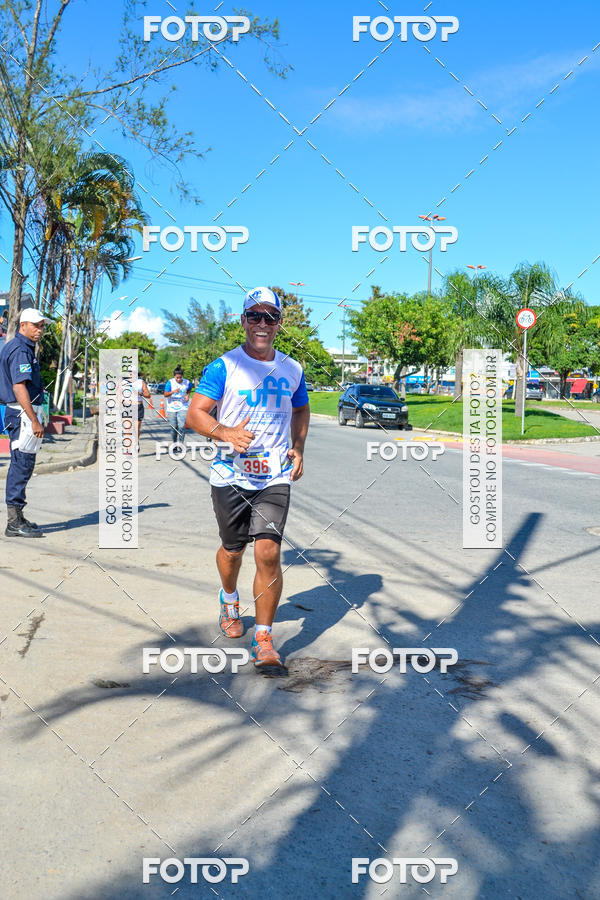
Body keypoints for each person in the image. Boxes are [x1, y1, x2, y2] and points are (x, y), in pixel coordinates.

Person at [186, 286, 310, 667]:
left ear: (278, 324)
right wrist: (225, 433)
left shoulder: (292, 368)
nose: (261, 323)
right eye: (254, 316)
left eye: (269, 317)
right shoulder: (224, 366)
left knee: (268, 551)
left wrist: (299, 446)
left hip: (274, 474)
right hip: (230, 475)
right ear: (243, 321)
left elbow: (301, 410)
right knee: (232, 550)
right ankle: (228, 598)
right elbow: (195, 414)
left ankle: (264, 638)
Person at [0, 308, 49, 538]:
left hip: (22, 414)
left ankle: (18, 517)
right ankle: (13, 522)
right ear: (23, 325)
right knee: (21, 466)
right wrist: (34, 419)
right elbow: (19, 386)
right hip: (22, 416)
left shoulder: (21, 347)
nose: (40, 330)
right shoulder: (20, 349)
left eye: (42, 326)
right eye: (36, 325)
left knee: (24, 464)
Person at [164, 366, 191, 448]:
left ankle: (181, 444)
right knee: (173, 427)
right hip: (171, 408)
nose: (179, 379)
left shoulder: (187, 382)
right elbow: (165, 394)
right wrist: (173, 391)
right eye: (177, 378)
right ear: (174, 376)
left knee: (182, 426)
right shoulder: (170, 383)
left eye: (180, 377)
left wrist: (187, 395)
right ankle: (174, 443)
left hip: (183, 407)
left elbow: (189, 388)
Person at [133, 374, 151, 451]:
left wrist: (140, 393)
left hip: (138, 406)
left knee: (136, 428)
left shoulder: (141, 382)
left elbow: (148, 395)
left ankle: (136, 442)